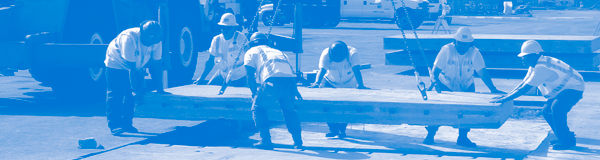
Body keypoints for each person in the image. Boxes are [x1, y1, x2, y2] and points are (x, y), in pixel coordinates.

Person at [491, 40, 584, 150]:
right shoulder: (535, 65)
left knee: (557, 108)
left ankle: (565, 140)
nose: (522, 59)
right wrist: (506, 96)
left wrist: (505, 99)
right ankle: (564, 137)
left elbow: (524, 89)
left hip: (574, 88)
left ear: (534, 55)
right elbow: (522, 84)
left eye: (525, 57)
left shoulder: (541, 68)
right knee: (546, 111)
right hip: (565, 88)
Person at [426, 27, 505, 147]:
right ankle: (430, 135)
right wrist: (433, 84)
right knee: (439, 111)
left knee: (467, 113)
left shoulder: (474, 52)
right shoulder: (447, 50)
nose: (462, 46)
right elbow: (435, 70)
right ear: (455, 41)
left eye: (465, 44)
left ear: (470, 43)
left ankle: (462, 138)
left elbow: (482, 72)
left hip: (466, 85)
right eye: (460, 43)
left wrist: (492, 89)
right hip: (446, 84)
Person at [104, 20, 167, 135]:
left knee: (130, 96)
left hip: (136, 64)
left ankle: (127, 123)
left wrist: (160, 88)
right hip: (116, 62)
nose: (150, 42)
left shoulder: (156, 41)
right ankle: (114, 124)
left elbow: (157, 64)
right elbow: (131, 69)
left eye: (153, 41)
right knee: (116, 93)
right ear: (142, 34)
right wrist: (135, 90)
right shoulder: (129, 38)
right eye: (147, 39)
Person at [244, 32, 303, 150]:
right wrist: (295, 90)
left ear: (251, 44)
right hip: (290, 83)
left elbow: (249, 75)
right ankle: (298, 142)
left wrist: (254, 93)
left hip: (272, 83)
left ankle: (265, 141)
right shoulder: (279, 52)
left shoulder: (251, 51)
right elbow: (289, 71)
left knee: (258, 108)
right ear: (267, 42)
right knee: (289, 111)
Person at [309, 41, 369, 139]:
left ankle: (342, 129)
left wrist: (361, 85)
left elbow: (356, 70)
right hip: (330, 81)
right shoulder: (326, 53)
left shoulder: (352, 53)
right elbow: (322, 70)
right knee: (327, 106)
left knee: (345, 107)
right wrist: (316, 83)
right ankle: (332, 129)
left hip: (349, 83)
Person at [194, 13, 249, 87]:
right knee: (209, 89)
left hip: (240, 77)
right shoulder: (216, 40)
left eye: (228, 28)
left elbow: (250, 56)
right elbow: (210, 62)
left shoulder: (241, 38)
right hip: (222, 75)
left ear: (234, 28)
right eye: (223, 27)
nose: (225, 30)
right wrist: (201, 78)